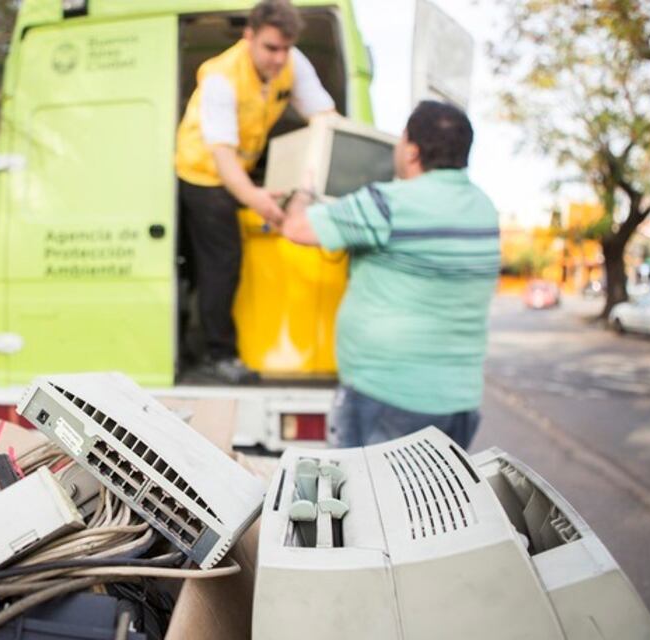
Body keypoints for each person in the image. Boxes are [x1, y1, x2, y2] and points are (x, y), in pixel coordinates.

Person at [281, 100, 500, 448]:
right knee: (429, 502)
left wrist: (304, 192)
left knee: (368, 501)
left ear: (412, 151)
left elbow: (296, 229)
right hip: (459, 403)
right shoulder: (484, 208)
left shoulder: (388, 203)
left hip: (385, 398)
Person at [175, 0, 336, 383]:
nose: (279, 58)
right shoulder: (220, 76)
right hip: (203, 174)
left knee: (221, 264)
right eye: (270, 48)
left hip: (241, 170)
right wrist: (260, 201)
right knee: (222, 262)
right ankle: (218, 354)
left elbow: (326, 121)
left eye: (285, 48)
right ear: (249, 36)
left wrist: (311, 185)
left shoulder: (293, 62)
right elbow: (224, 160)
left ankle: (212, 341)